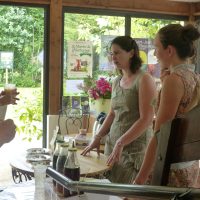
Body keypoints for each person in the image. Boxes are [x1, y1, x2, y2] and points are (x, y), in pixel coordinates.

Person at [81, 36, 156, 183]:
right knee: (112, 193)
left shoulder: (144, 79)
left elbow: (146, 119)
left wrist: (121, 142)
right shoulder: (117, 81)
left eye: (117, 53)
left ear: (131, 53)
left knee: (128, 194)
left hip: (134, 151)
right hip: (113, 147)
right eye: (111, 53)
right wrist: (97, 138)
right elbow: (112, 113)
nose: (113, 57)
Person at [133, 23, 200, 187]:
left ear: (169, 50)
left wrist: (139, 180)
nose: (154, 54)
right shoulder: (194, 76)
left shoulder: (174, 80)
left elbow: (160, 135)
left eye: (156, 47)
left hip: (169, 168)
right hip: (189, 164)